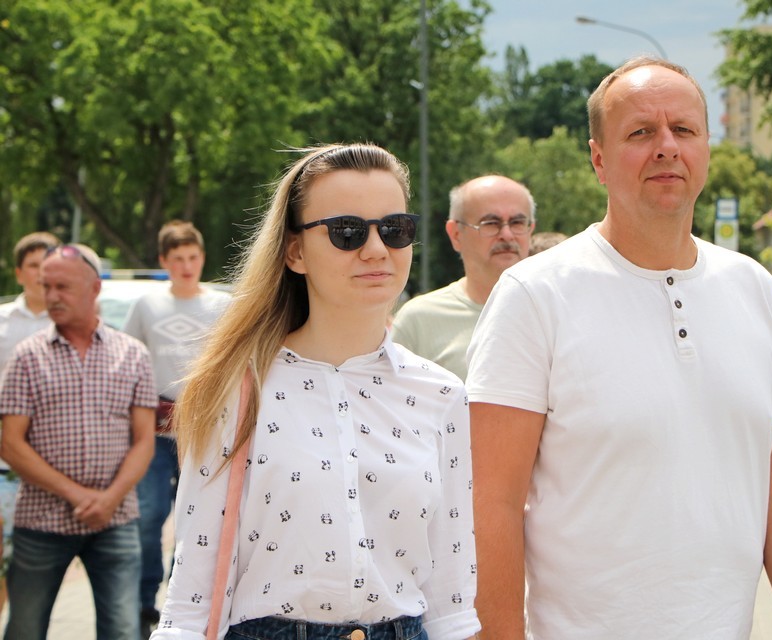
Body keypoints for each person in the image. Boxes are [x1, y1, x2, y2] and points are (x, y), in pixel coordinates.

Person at [467, 56, 772, 638]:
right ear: (598, 159)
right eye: (640, 132)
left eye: (683, 129)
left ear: (706, 148)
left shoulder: (754, 288)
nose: (666, 147)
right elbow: (491, 502)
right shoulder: (535, 295)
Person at [154, 143, 480, 640]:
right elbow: (191, 592)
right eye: (347, 231)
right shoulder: (236, 389)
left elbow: (451, 598)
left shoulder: (442, 394)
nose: (376, 249)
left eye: (395, 229)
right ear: (295, 252)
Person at [0, 243, 156, 640]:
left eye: (63, 287)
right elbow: (11, 443)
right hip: (42, 519)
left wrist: (108, 499)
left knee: (122, 630)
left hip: (115, 519)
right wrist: (77, 495)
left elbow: (144, 441)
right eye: (46, 286)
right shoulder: (26, 357)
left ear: (94, 288)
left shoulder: (133, 355)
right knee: (24, 630)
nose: (52, 296)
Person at [122, 220, 232, 638]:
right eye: (178, 258)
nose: (186, 265)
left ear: (202, 258)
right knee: (148, 517)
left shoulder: (222, 305)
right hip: (153, 433)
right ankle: (142, 602)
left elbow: (232, 363)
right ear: (164, 261)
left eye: (193, 257)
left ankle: (179, 603)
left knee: (194, 521)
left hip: (202, 432)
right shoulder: (147, 305)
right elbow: (127, 360)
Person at [391, 175, 535, 381]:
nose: (507, 234)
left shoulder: (557, 311)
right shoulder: (419, 321)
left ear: (531, 229)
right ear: (456, 234)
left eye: (517, 222)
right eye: (491, 223)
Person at [0, 231, 60, 612]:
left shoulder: (75, 323)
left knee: (34, 572)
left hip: (56, 468)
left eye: (47, 266)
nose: (41, 274)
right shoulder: (2, 323)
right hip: (5, 466)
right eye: (34, 266)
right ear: (19, 272)